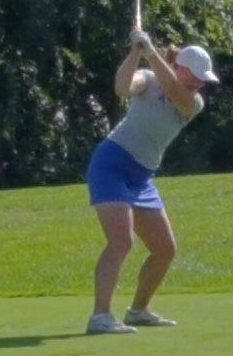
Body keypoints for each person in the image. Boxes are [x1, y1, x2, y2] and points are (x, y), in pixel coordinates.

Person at [84, 29, 218, 334]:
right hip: (112, 164)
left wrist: (150, 50)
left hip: (142, 175)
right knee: (121, 241)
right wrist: (135, 52)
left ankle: (138, 310)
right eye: (195, 76)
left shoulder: (192, 102)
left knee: (164, 249)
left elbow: (172, 88)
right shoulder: (148, 78)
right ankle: (100, 316)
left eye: (202, 79)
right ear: (181, 67)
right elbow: (121, 88)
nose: (200, 83)